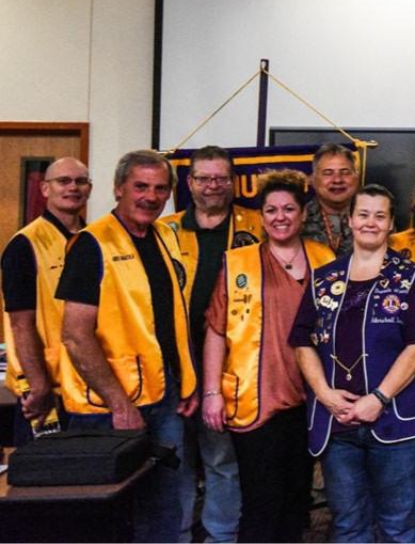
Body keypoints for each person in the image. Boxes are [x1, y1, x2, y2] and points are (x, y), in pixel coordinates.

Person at [57, 150, 197, 543]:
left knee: (163, 506)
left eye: (160, 189)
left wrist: (185, 382)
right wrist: (120, 403)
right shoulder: (91, 244)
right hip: (107, 409)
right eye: (140, 187)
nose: (150, 197)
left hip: (163, 397)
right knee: (109, 515)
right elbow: (75, 334)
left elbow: (168, 322)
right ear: (119, 188)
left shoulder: (163, 239)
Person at [291, 184, 415, 543]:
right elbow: (301, 342)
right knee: (348, 526)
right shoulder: (323, 277)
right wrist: (325, 394)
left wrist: (377, 398)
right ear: (351, 220)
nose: (370, 223)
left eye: (380, 216)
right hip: (338, 423)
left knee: (398, 527)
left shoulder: (411, 276)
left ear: (392, 224)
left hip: (400, 423)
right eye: (363, 214)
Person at [201, 169, 334, 542]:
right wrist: (211, 392)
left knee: (296, 499)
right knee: (262, 501)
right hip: (256, 398)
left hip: (311, 398)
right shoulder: (237, 262)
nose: (280, 217)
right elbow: (215, 330)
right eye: (271, 209)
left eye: (289, 209)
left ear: (303, 213)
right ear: (261, 216)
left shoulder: (324, 258)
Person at [161, 145, 260, 542]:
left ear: (233, 181)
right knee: (174, 458)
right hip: (170, 366)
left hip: (230, 365)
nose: (213, 186)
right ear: (190, 183)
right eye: (204, 178)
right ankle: (178, 534)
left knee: (221, 458)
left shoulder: (257, 226)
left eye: (221, 178)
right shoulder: (164, 230)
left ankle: (222, 536)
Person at [1, 157, 91, 443]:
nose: (73, 188)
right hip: (47, 388)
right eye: (63, 181)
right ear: (44, 189)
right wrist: (37, 384)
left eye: (80, 181)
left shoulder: (95, 239)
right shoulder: (25, 244)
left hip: (88, 383)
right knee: (44, 481)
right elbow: (19, 324)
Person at [303, 143, 360, 255]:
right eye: (328, 173)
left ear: (356, 178)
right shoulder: (299, 220)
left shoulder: (372, 218)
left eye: (345, 172)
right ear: (313, 180)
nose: (337, 180)